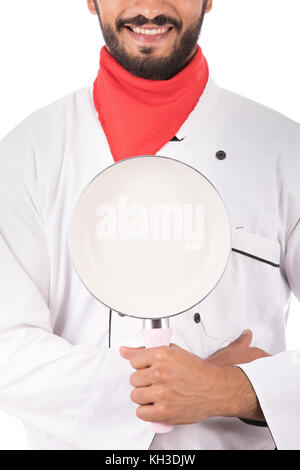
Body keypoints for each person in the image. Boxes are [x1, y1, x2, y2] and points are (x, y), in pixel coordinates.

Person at [0, 0, 299, 450]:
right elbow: (8, 352)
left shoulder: (285, 152)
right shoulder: (26, 155)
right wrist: (188, 385)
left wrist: (237, 389)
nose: (149, 7)